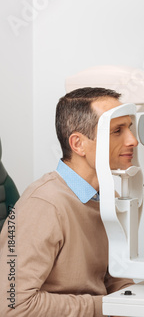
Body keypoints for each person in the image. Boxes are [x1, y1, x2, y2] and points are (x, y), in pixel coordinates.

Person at [0, 87, 136, 316]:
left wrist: (139, 302)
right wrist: (105, 306)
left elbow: (116, 280)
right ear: (78, 144)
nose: (132, 140)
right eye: (117, 131)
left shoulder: (106, 199)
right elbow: (12, 306)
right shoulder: (44, 205)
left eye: (129, 128)